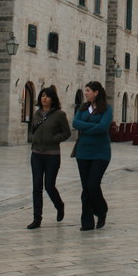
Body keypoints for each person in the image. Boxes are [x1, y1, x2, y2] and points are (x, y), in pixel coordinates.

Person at [26, 87, 71, 229]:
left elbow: (67, 133)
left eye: (47, 96)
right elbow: (32, 130)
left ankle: (59, 205)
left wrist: (54, 139)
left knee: (49, 186)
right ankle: (37, 218)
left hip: (52, 155)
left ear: (53, 99)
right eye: (42, 96)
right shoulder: (37, 114)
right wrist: (32, 138)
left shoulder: (59, 115)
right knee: (36, 186)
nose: (44, 98)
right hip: (36, 155)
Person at [72, 81, 113, 231]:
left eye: (88, 90)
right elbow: (75, 123)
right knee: (86, 188)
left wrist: (87, 127)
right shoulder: (83, 108)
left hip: (100, 152)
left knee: (93, 185)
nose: (86, 93)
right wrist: (93, 127)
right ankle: (87, 222)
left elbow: (103, 127)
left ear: (96, 92)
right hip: (83, 152)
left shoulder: (106, 109)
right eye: (85, 90)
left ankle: (101, 210)